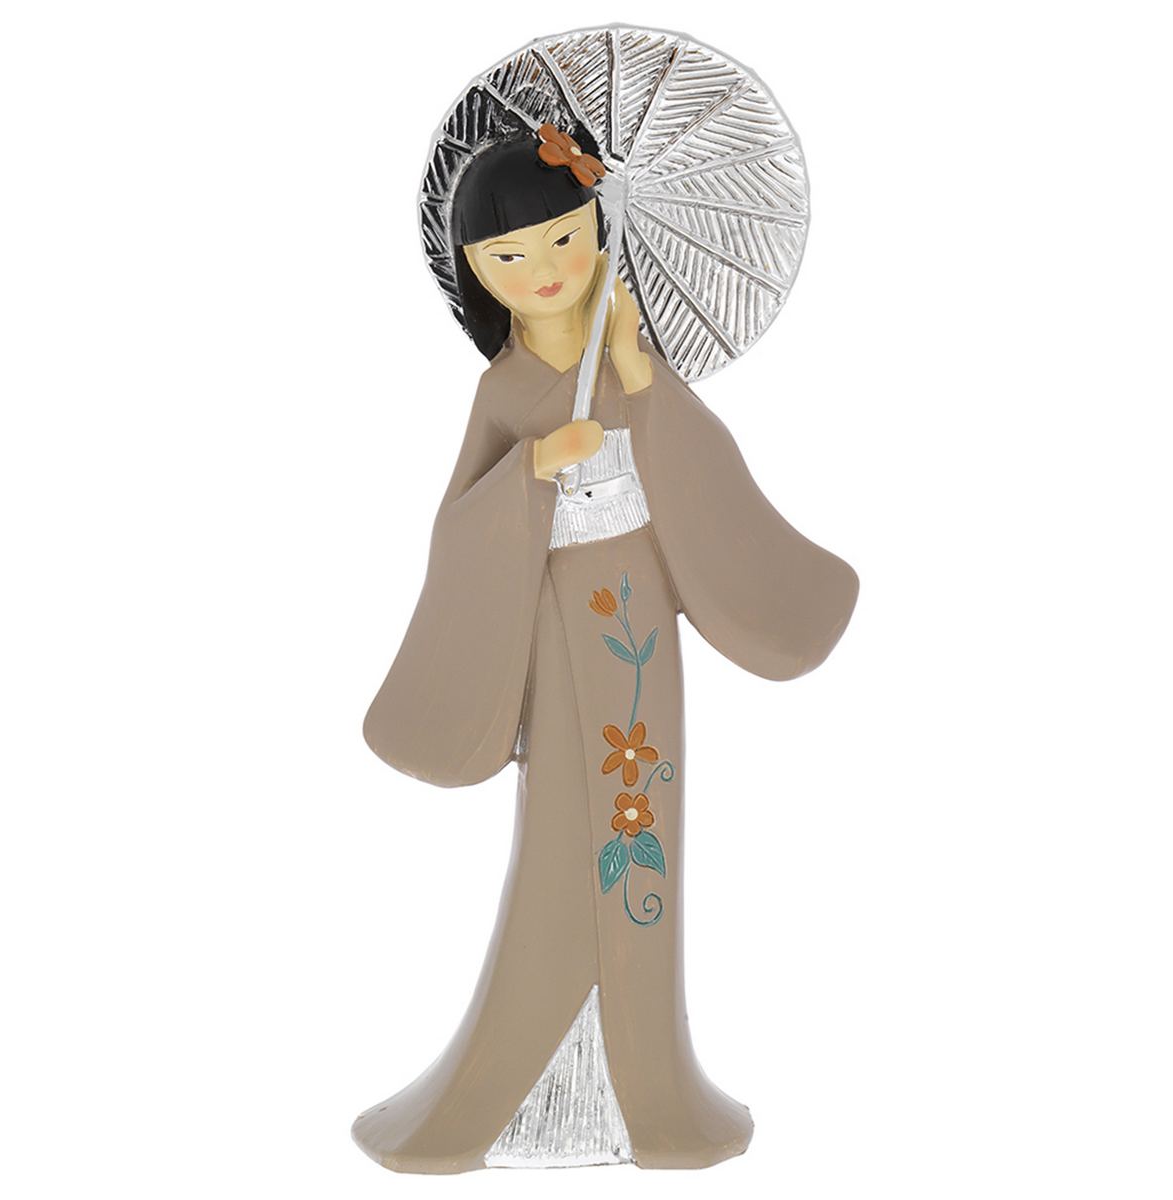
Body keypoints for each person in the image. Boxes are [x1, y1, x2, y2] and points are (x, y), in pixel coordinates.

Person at [352, 127, 859, 1173]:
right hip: (550, 622)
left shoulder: (631, 361)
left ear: (599, 226)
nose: (542, 269)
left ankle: (651, 1091)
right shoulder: (503, 393)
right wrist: (535, 465)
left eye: (562, 238)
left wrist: (641, 383)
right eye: (508, 255)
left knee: (642, 823)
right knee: (562, 828)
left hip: (636, 624)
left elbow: (707, 489)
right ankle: (514, 1085)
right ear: (477, 270)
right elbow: (458, 533)